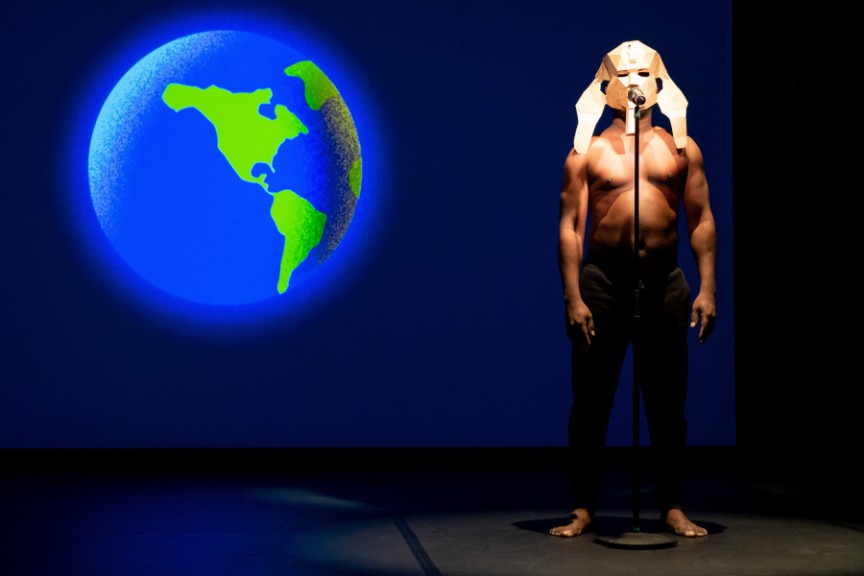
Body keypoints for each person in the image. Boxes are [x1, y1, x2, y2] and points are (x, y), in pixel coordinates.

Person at [549, 40, 716, 538]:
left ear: (659, 80)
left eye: (645, 72)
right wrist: (572, 296)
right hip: (603, 282)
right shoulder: (586, 153)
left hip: (664, 282)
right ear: (606, 83)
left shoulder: (682, 148)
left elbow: (701, 219)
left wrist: (707, 287)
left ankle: (671, 505)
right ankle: (583, 507)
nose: (634, 81)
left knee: (667, 403)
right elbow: (568, 226)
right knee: (591, 402)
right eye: (624, 73)